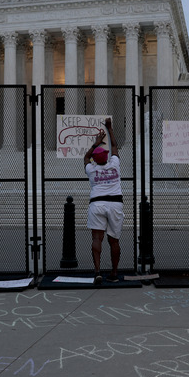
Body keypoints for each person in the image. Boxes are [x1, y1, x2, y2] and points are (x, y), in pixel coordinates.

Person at [83, 117, 123, 285]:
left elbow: (85, 158)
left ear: (95, 159)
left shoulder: (91, 169)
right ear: (106, 157)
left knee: (96, 239)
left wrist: (95, 143)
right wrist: (109, 129)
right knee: (113, 240)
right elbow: (114, 146)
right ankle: (114, 273)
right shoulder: (114, 164)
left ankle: (98, 271)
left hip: (97, 204)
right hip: (115, 203)